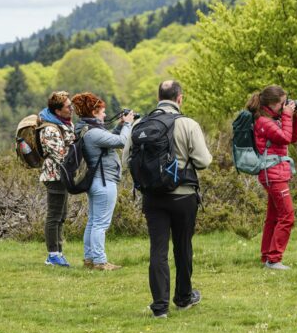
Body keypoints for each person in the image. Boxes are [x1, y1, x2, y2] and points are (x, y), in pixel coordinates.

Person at [124, 80, 212, 318]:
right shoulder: (188, 124)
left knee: (158, 250)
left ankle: (160, 307)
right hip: (183, 195)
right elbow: (204, 161)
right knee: (183, 247)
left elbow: (126, 161)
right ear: (180, 98)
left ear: (158, 96)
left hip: (152, 197)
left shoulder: (141, 125)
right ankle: (184, 298)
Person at [71, 92, 134, 271]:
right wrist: (128, 124)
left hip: (95, 181)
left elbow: (109, 140)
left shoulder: (85, 129)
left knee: (93, 221)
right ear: (93, 111)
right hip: (104, 181)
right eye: (102, 111)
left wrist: (119, 125)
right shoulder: (93, 133)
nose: (105, 115)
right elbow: (122, 142)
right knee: (101, 224)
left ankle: (89, 259)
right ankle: (100, 261)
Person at [246, 85, 297, 270]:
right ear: (271, 104)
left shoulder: (272, 119)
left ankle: (267, 257)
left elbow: (292, 138)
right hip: (273, 175)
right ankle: (274, 259)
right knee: (287, 217)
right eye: (282, 103)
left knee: (273, 217)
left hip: (275, 173)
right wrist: (287, 115)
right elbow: (285, 138)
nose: (285, 106)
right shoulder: (264, 122)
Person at [38, 91, 75, 267]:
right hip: (54, 175)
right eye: (68, 107)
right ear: (58, 111)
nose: (72, 109)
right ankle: (52, 255)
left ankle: (58, 252)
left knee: (62, 215)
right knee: (54, 215)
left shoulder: (64, 124)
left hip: (63, 175)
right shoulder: (50, 129)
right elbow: (59, 154)